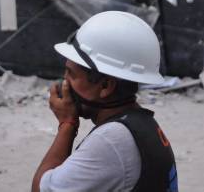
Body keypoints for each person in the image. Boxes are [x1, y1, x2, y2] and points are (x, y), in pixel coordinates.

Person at [31, 11, 178, 192]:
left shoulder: (111, 140)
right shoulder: (139, 123)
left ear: (106, 86)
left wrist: (67, 124)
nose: (64, 82)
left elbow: (41, 189)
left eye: (72, 74)